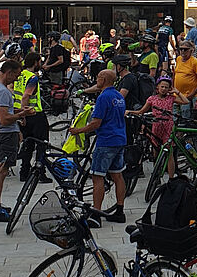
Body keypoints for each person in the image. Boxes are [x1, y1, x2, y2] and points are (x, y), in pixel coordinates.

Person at [72, 68, 127, 225]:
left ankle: (95, 215)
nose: (96, 80)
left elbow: (96, 123)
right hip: (120, 139)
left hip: (106, 141)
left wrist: (78, 130)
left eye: (98, 77)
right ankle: (120, 211)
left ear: (103, 79)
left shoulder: (103, 98)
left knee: (98, 177)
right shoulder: (118, 96)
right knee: (118, 176)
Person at [0, 59, 31, 221]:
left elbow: (2, 111)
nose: (16, 79)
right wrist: (22, 115)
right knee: (0, 171)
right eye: (16, 75)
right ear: (8, 72)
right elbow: (4, 119)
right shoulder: (2, 91)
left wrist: (18, 111)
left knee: (0, 171)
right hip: (4, 134)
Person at [128, 77, 185, 181]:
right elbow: (141, 111)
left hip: (168, 126)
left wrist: (177, 92)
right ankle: (156, 175)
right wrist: (130, 112)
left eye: (166, 87)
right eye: (162, 86)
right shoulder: (151, 99)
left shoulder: (171, 98)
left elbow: (185, 101)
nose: (163, 89)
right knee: (155, 151)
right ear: (157, 87)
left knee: (169, 152)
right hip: (156, 125)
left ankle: (171, 178)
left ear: (169, 89)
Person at [14, 51, 49, 181]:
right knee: (41, 144)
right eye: (39, 61)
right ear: (35, 62)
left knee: (27, 144)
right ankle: (40, 172)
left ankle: (24, 172)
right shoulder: (32, 78)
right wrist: (24, 113)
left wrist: (20, 115)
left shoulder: (21, 74)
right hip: (34, 114)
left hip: (21, 114)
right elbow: (26, 96)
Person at [172, 41, 197, 117]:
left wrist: (193, 93)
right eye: (181, 49)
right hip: (176, 95)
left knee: (185, 119)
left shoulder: (195, 62)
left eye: (185, 49)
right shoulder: (178, 59)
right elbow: (175, 73)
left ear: (191, 51)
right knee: (174, 118)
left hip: (187, 96)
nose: (183, 51)